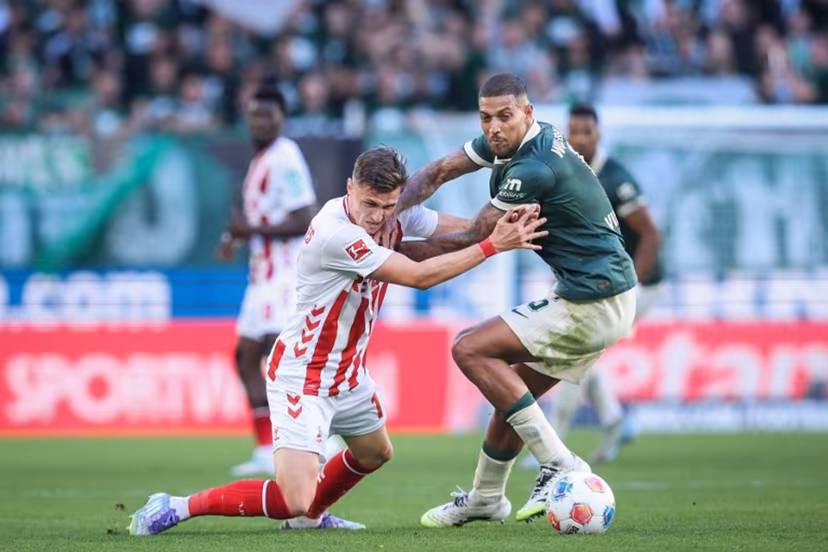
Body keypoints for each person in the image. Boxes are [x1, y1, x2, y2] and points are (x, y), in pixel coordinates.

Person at [128, 146, 547, 535]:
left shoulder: (392, 211)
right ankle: (178, 505)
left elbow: (461, 228)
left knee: (375, 452)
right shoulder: (335, 233)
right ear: (350, 188)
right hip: (302, 376)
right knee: (294, 497)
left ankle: (310, 522)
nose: (378, 217)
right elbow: (419, 277)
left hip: (347, 375)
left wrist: (497, 225)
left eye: (388, 206)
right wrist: (493, 246)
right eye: (369, 204)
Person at [389, 73, 638, 527]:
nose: (494, 128)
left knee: (469, 347)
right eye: (486, 118)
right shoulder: (512, 141)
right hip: (600, 294)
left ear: (528, 114)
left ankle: (561, 464)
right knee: (512, 397)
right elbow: (437, 171)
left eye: (505, 116)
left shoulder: (532, 168)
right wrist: (388, 212)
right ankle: (486, 498)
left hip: (593, 300)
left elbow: (473, 237)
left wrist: (386, 248)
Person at [217, 82, 344, 476]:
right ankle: (264, 446)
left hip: (285, 274)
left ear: (281, 119)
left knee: (280, 358)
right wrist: (236, 237)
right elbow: (257, 222)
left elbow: (303, 217)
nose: (259, 121)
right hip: (261, 277)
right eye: (254, 114)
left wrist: (250, 229)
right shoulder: (260, 162)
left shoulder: (285, 155)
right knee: (245, 358)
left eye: (267, 115)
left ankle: (323, 436)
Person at [543, 103, 665, 465]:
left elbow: (651, 236)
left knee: (576, 349)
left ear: (599, 136)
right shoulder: (567, 170)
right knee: (585, 350)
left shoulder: (615, 178)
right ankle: (612, 419)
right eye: (574, 132)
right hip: (600, 279)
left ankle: (553, 448)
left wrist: (633, 288)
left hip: (638, 283)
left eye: (587, 132)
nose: (580, 139)